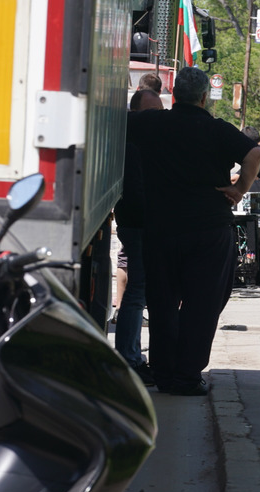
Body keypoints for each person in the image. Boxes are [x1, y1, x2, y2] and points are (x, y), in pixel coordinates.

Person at [129, 67, 260, 396]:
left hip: (161, 228)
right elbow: (255, 153)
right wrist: (240, 190)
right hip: (207, 229)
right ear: (204, 97)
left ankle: (163, 372)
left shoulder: (151, 123)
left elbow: (115, 122)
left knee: (162, 302)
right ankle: (187, 376)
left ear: (173, 96)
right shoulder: (215, 129)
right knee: (201, 305)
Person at [113, 89, 163, 385]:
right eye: (152, 111)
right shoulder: (135, 142)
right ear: (137, 112)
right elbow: (137, 189)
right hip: (138, 222)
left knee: (138, 290)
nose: (158, 117)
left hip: (137, 221)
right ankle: (128, 358)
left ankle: (131, 355)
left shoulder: (135, 138)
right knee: (137, 291)